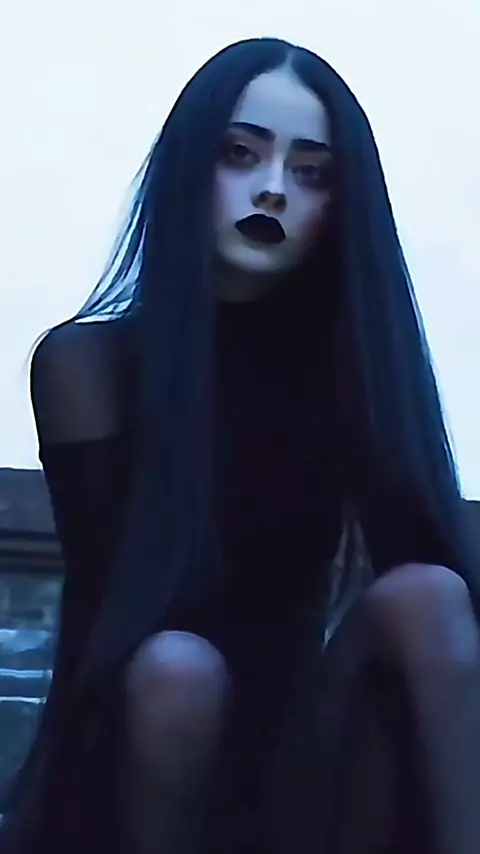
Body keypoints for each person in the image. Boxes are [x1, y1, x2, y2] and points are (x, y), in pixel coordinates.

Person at [1, 36, 480, 854]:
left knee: (430, 595)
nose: (273, 189)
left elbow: (424, 562)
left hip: (300, 758)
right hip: (144, 744)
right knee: (179, 669)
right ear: (190, 168)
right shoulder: (89, 363)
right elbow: (124, 612)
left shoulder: (351, 365)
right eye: (240, 155)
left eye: (312, 172)